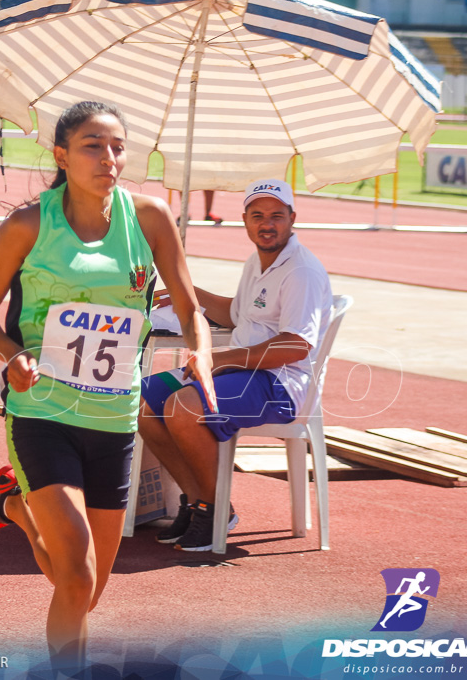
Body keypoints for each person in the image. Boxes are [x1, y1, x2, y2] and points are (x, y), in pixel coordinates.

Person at [0, 100, 216, 670]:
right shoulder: (28, 225)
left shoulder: (150, 219)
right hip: (43, 411)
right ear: (62, 154)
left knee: (84, 589)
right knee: (76, 574)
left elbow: (190, 307)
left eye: (118, 147)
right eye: (92, 146)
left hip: (113, 419)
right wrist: (10, 356)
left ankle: (17, 510)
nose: (109, 158)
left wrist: (200, 352)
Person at [138, 179, 332, 552]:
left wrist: (220, 359)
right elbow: (235, 314)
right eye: (257, 216)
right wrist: (186, 294)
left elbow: (295, 345)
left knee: (181, 408)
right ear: (244, 220)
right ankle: (199, 503)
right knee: (145, 401)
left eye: (277, 215)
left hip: (281, 384)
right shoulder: (257, 261)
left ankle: (213, 512)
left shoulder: (300, 271)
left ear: (292, 218)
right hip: (244, 372)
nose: (267, 224)